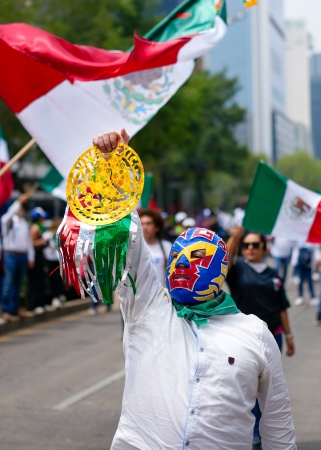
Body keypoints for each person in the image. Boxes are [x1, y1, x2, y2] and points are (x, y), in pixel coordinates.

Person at [59, 129, 296, 449]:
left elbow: (277, 423)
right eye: (177, 257)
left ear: (221, 266)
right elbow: (129, 244)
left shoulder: (255, 334)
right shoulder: (147, 308)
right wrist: (112, 166)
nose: (183, 264)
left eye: (197, 256)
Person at [226, 226, 296, 447]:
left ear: (265, 249)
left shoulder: (273, 274)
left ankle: (268, 437)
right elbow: (221, 264)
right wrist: (234, 238)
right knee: (246, 389)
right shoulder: (237, 270)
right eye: (246, 245)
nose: (250, 249)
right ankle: (252, 435)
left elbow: (281, 306)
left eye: (255, 245)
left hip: (273, 336)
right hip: (244, 338)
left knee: (269, 391)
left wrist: (289, 335)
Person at [0, 191, 34, 320]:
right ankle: (5, 309)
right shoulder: (8, 221)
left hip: (22, 255)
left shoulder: (24, 222)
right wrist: (19, 201)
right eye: (18, 208)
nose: (20, 210)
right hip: (11, 255)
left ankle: (15, 308)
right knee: (8, 283)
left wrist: (31, 257)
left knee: (18, 284)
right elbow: (7, 215)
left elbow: (28, 241)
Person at [138, 208, 171, 288]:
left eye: (148, 223)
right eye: (141, 224)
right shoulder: (134, 248)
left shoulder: (167, 246)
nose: (145, 227)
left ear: (157, 227)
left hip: (162, 295)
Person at [27, 206, 50, 314]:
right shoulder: (35, 228)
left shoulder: (40, 227)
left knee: (41, 280)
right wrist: (43, 241)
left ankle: (40, 302)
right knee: (35, 281)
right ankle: (34, 304)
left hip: (41, 256)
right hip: (35, 257)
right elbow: (32, 243)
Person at [42, 216, 64, 309]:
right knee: (49, 280)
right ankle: (49, 300)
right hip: (48, 259)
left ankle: (56, 297)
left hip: (57, 260)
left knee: (57, 279)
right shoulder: (47, 234)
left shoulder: (59, 235)